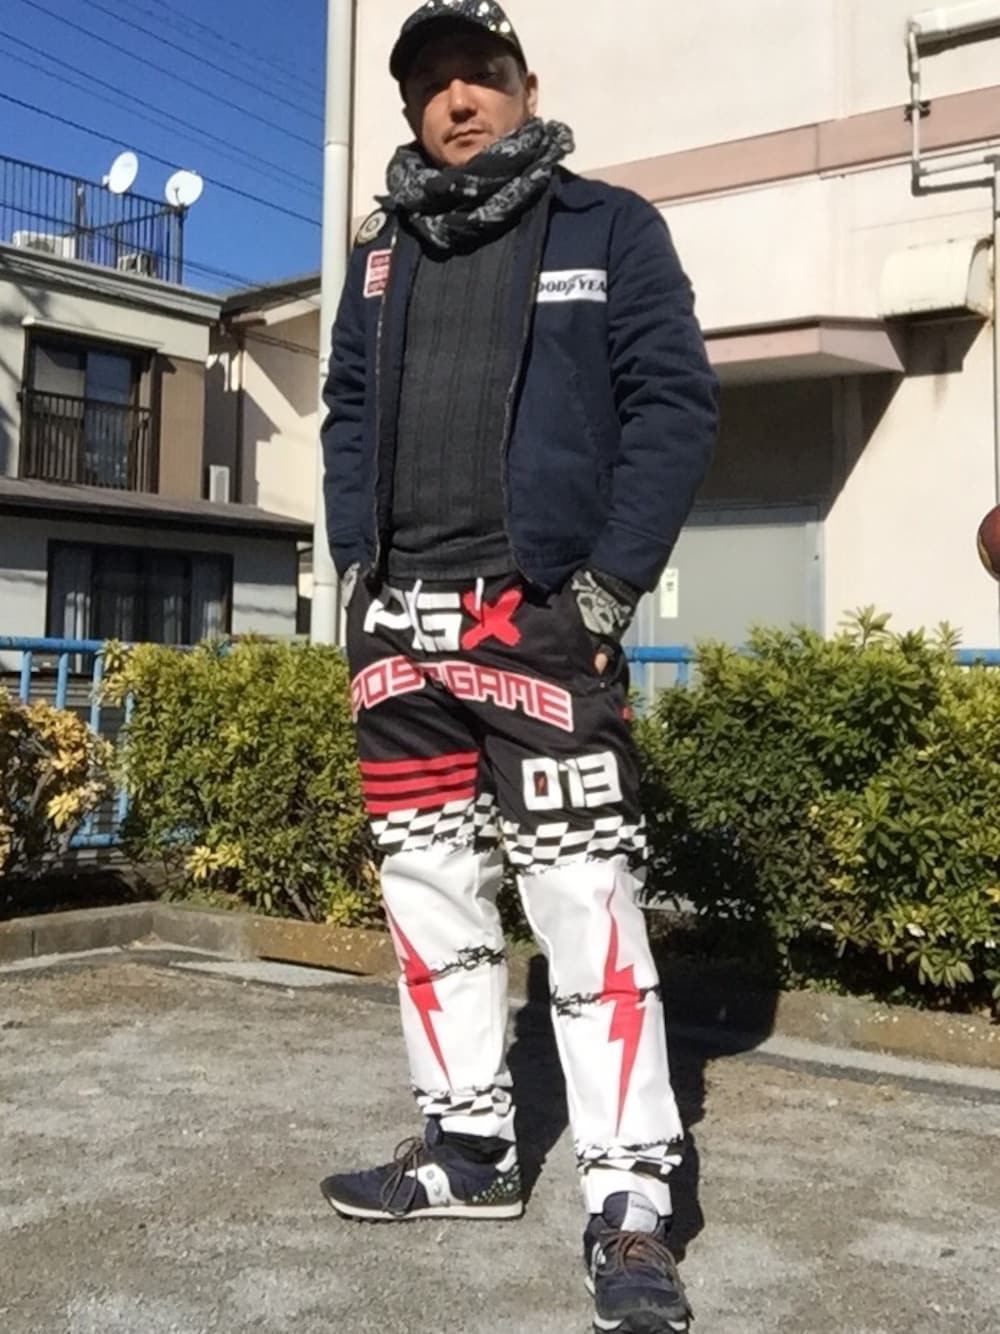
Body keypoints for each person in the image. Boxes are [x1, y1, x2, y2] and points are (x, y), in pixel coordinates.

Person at [319, 3, 718, 1330]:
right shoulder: (383, 256)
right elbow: (348, 415)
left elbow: (674, 404)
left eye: (480, 75)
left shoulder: (609, 228)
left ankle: (633, 1203)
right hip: (401, 623)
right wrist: (356, 569)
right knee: (429, 896)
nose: (458, 99)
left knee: (584, 908)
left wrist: (606, 586)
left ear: (524, 88)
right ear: (412, 109)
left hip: (538, 616)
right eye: (431, 83)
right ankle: (469, 1148)